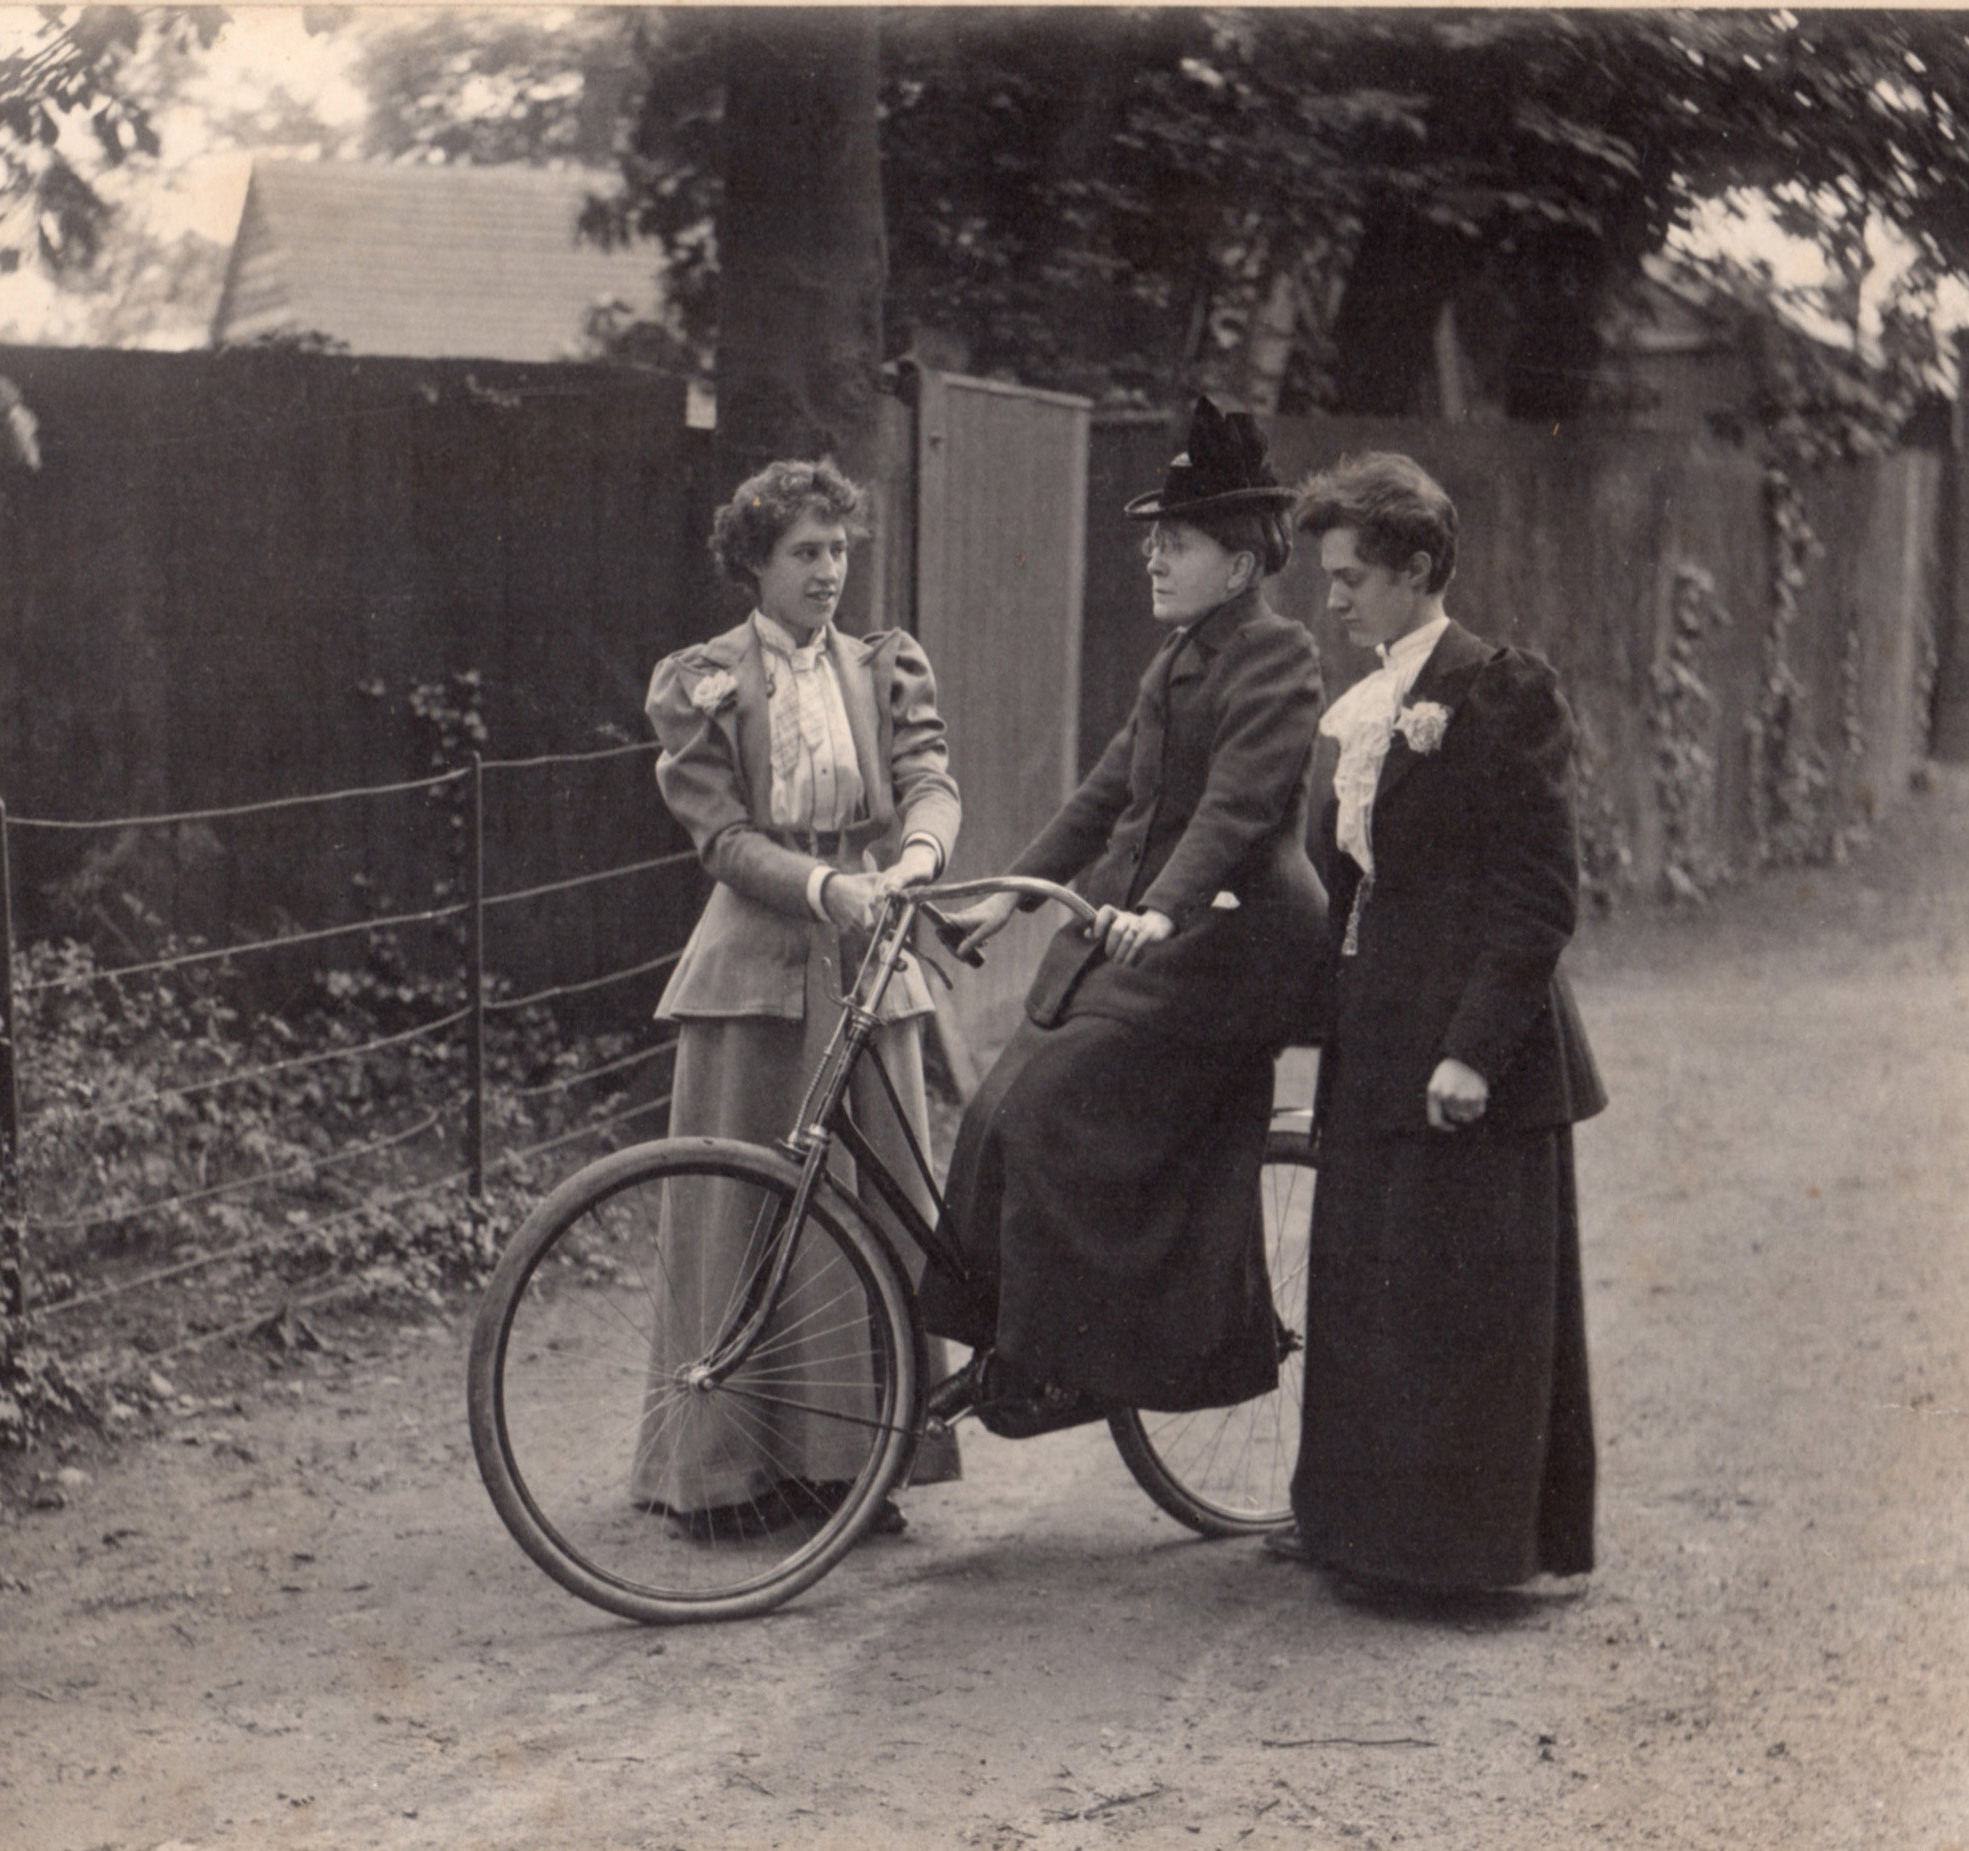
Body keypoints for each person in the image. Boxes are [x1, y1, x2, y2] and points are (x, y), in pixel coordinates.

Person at [922, 398, 1326, 1432]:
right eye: (1154, 541)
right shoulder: (1178, 657)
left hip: (1233, 942)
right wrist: (1007, 896)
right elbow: (1105, 797)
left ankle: (1074, 1361)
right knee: (998, 1106)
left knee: (1058, 1110)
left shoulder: (1275, 655)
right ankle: (1013, 1346)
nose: (1152, 558)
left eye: (1175, 542)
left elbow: (1235, 809)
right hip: (1150, 935)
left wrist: (1158, 909)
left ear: (1238, 566)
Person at [1272, 450, 1606, 1592]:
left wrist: (1471, 1051)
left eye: (1350, 577)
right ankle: (1358, 1531)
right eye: (1329, 577)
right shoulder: (1368, 706)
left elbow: (1538, 896)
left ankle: (1456, 1553)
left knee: (1456, 1301)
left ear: (1416, 569)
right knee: (1368, 1284)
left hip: (1472, 1049)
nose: (1333, 599)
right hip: (1375, 1035)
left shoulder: (1499, 692)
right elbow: (1349, 886)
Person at [630, 457, 962, 1536]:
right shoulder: (702, 679)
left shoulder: (882, 665)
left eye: (838, 550)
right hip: (755, 964)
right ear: (755, 564)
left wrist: (916, 856)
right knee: (737, 1208)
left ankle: (853, 1471)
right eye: (804, 552)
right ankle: (727, 1473)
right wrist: (823, 887)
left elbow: (929, 779)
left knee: (875, 1208)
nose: (828, 571)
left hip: (869, 953)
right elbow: (721, 836)